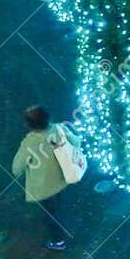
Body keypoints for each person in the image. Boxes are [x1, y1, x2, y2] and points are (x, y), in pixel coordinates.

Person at [11, 106, 80, 250]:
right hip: (62, 177)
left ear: (29, 125)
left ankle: (58, 240)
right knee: (58, 204)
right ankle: (61, 224)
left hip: (44, 186)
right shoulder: (59, 129)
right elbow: (76, 142)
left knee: (50, 213)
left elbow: (17, 168)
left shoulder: (29, 143)